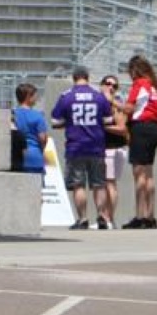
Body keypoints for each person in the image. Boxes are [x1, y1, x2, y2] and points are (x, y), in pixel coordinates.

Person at [50, 66, 113, 230]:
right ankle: (101, 217)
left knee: (78, 185)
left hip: (76, 146)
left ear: (74, 78)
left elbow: (55, 121)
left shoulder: (66, 96)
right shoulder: (99, 96)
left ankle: (83, 219)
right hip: (96, 146)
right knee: (99, 184)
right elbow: (108, 120)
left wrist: (69, 122)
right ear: (87, 77)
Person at [122, 55, 157, 230]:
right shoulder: (155, 87)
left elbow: (129, 108)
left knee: (139, 175)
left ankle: (140, 216)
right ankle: (150, 216)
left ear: (135, 70)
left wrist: (111, 101)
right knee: (149, 173)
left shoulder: (140, 84)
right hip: (155, 128)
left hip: (141, 128)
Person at [99, 75, 130, 230]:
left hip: (113, 149)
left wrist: (102, 127)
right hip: (104, 149)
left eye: (114, 85)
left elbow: (122, 128)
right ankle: (105, 218)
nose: (111, 87)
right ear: (101, 85)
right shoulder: (99, 102)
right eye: (108, 83)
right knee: (105, 184)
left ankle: (109, 219)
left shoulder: (117, 105)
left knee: (110, 184)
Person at [13, 83, 49, 175]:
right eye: (35, 96)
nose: (36, 98)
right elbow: (43, 138)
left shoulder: (12, 115)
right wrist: (42, 149)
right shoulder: (38, 116)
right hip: (35, 157)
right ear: (28, 97)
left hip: (16, 159)